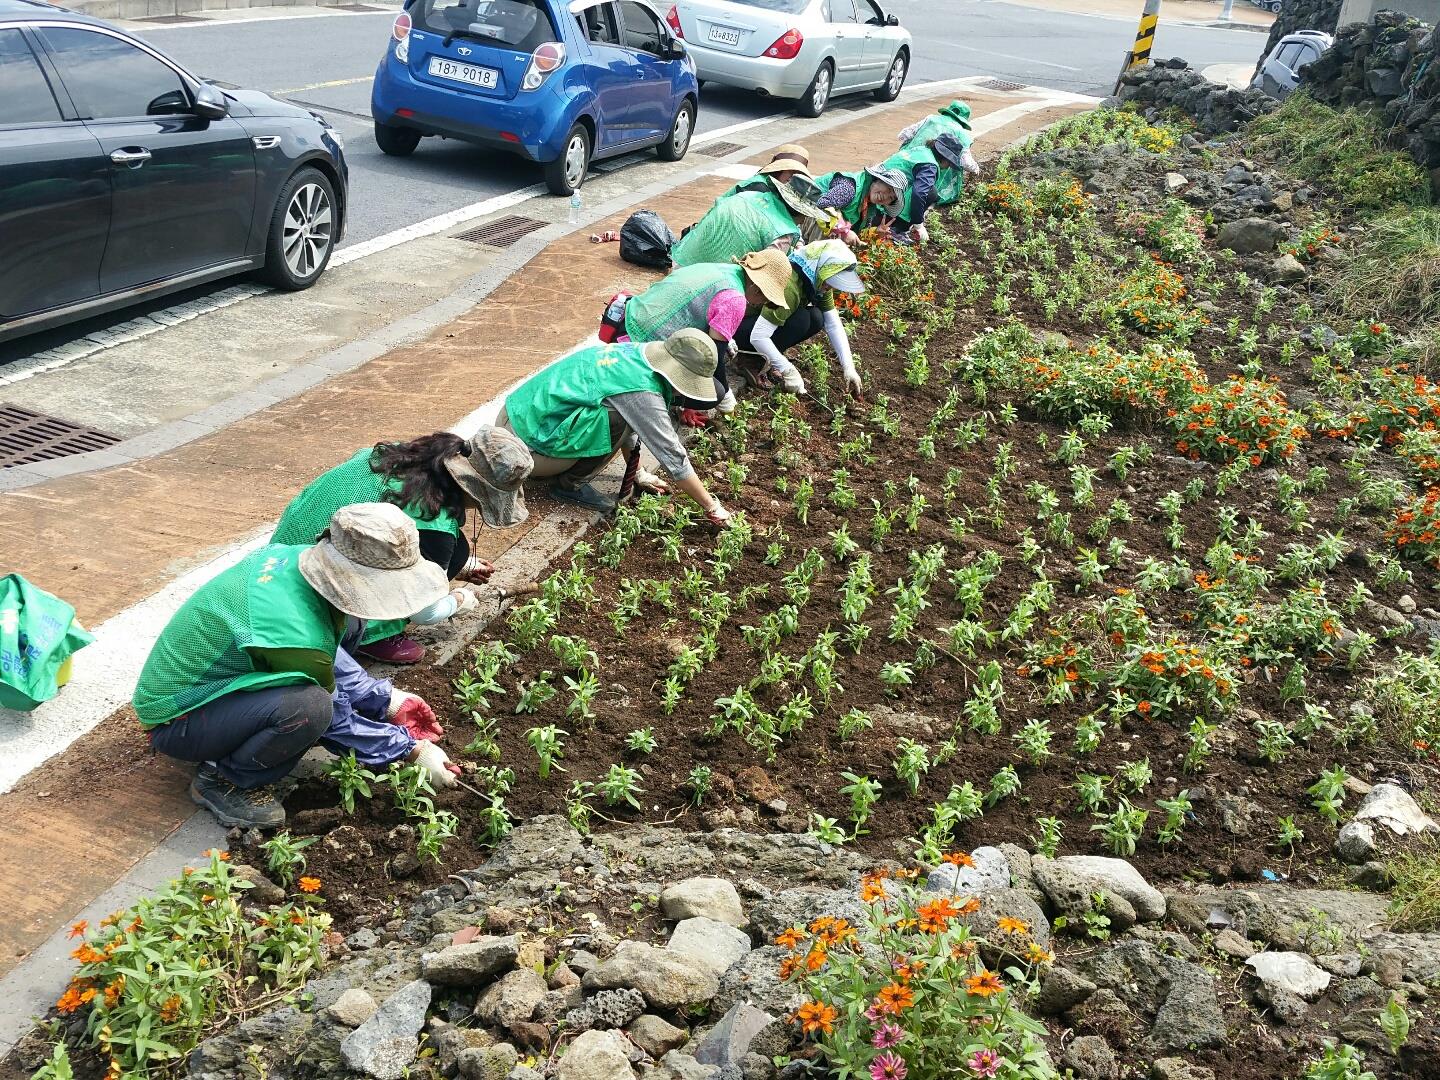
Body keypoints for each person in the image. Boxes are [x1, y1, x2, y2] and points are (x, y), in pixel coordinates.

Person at [134, 503, 463, 830]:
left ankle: (255, 732)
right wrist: (410, 751)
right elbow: (332, 713)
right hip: (182, 717)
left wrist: (384, 701)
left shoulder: (301, 560)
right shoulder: (291, 629)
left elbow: (323, 651)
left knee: (349, 625)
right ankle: (223, 780)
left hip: (231, 684)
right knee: (310, 709)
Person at [271, 430, 533, 665]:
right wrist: (459, 600)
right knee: (450, 552)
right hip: (309, 593)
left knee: (457, 551)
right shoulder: (433, 521)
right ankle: (371, 634)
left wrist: (462, 566)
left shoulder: (406, 457)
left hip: (282, 554)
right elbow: (425, 612)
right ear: (475, 490)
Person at [500, 329, 733, 520]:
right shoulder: (642, 391)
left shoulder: (636, 354)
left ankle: (559, 469)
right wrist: (712, 507)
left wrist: (639, 473)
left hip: (514, 417)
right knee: (615, 420)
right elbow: (673, 457)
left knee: (617, 417)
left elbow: (632, 419)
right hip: (523, 449)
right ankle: (569, 485)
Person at [600, 257, 791, 422]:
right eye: (765, 300)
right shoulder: (735, 299)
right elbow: (713, 358)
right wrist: (725, 399)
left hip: (625, 321)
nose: (760, 305)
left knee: (724, 350)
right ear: (757, 289)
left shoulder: (721, 270)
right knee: (713, 393)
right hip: (641, 346)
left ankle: (678, 401)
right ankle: (651, 396)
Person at [733, 242, 867, 399]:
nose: (831, 287)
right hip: (736, 328)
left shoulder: (817, 280)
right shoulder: (790, 287)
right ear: (822, 268)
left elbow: (833, 324)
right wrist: (786, 369)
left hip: (755, 327)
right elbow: (758, 336)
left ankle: (766, 357)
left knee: (816, 317)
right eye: (831, 280)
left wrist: (849, 368)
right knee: (801, 319)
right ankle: (749, 358)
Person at [671, 174, 830, 267]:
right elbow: (763, 277)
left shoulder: (750, 196)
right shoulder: (784, 235)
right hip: (708, 287)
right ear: (802, 213)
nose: (803, 222)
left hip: (682, 260)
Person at [878, 133, 970, 244]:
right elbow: (919, 194)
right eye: (950, 163)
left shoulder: (922, 151)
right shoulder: (929, 165)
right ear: (944, 157)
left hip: (878, 187)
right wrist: (918, 224)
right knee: (931, 192)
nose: (949, 167)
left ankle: (896, 226)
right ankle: (897, 229)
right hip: (884, 198)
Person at [813, 165, 910, 245]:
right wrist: (844, 232)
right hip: (806, 214)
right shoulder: (849, 188)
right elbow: (822, 206)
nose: (885, 197)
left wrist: (876, 232)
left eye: (891, 198)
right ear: (878, 180)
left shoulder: (869, 207)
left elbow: (857, 235)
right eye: (889, 189)